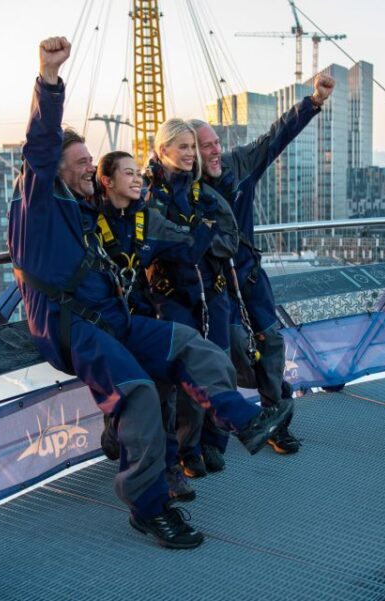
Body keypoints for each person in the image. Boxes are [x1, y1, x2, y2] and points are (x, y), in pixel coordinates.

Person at [7, 37, 291, 549]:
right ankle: (149, 508)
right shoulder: (40, 206)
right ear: (53, 172)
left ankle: (243, 419)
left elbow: (140, 226)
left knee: (192, 346)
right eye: (80, 163)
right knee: (137, 393)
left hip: (109, 319)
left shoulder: (85, 211)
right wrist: (48, 79)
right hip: (72, 327)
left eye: (92, 162)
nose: (88, 170)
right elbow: (42, 147)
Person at [189, 72, 336, 457]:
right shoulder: (183, 193)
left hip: (250, 277)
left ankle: (277, 421)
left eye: (216, 143)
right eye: (206, 147)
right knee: (234, 350)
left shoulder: (238, 165)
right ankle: (225, 429)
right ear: (189, 153)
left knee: (271, 342)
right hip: (216, 288)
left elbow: (276, 137)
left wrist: (313, 102)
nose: (216, 151)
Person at [94, 150, 219, 501]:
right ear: (106, 181)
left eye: (139, 173)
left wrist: (207, 222)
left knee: (162, 391)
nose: (138, 179)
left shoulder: (146, 220)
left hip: (142, 318)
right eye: (129, 173)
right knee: (131, 392)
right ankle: (117, 432)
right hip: (105, 325)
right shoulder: (87, 218)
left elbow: (187, 249)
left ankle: (168, 468)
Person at [143, 119, 242, 478]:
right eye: (181, 147)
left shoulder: (203, 193)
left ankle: (214, 443)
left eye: (191, 147)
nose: (189, 154)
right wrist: (197, 236)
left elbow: (229, 239)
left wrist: (192, 240)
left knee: (221, 366)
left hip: (211, 295)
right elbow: (163, 246)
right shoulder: (149, 195)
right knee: (184, 373)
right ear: (162, 150)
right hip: (171, 297)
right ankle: (187, 448)